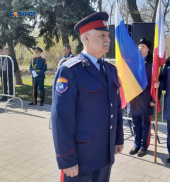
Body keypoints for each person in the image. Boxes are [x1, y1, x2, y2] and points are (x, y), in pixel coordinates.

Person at [51, 12, 124, 182]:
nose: (108, 39)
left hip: (105, 155)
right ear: (86, 38)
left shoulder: (111, 69)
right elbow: (61, 119)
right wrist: (66, 159)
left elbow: (116, 106)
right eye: (102, 35)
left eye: (107, 35)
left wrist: (118, 138)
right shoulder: (70, 71)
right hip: (80, 159)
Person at [129, 38, 157, 157]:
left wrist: (154, 99)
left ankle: (144, 146)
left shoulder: (153, 64)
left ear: (148, 49)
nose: (140, 48)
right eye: (139, 46)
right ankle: (136, 144)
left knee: (145, 125)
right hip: (134, 99)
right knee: (135, 124)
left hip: (146, 99)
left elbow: (156, 83)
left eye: (143, 46)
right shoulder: (133, 62)